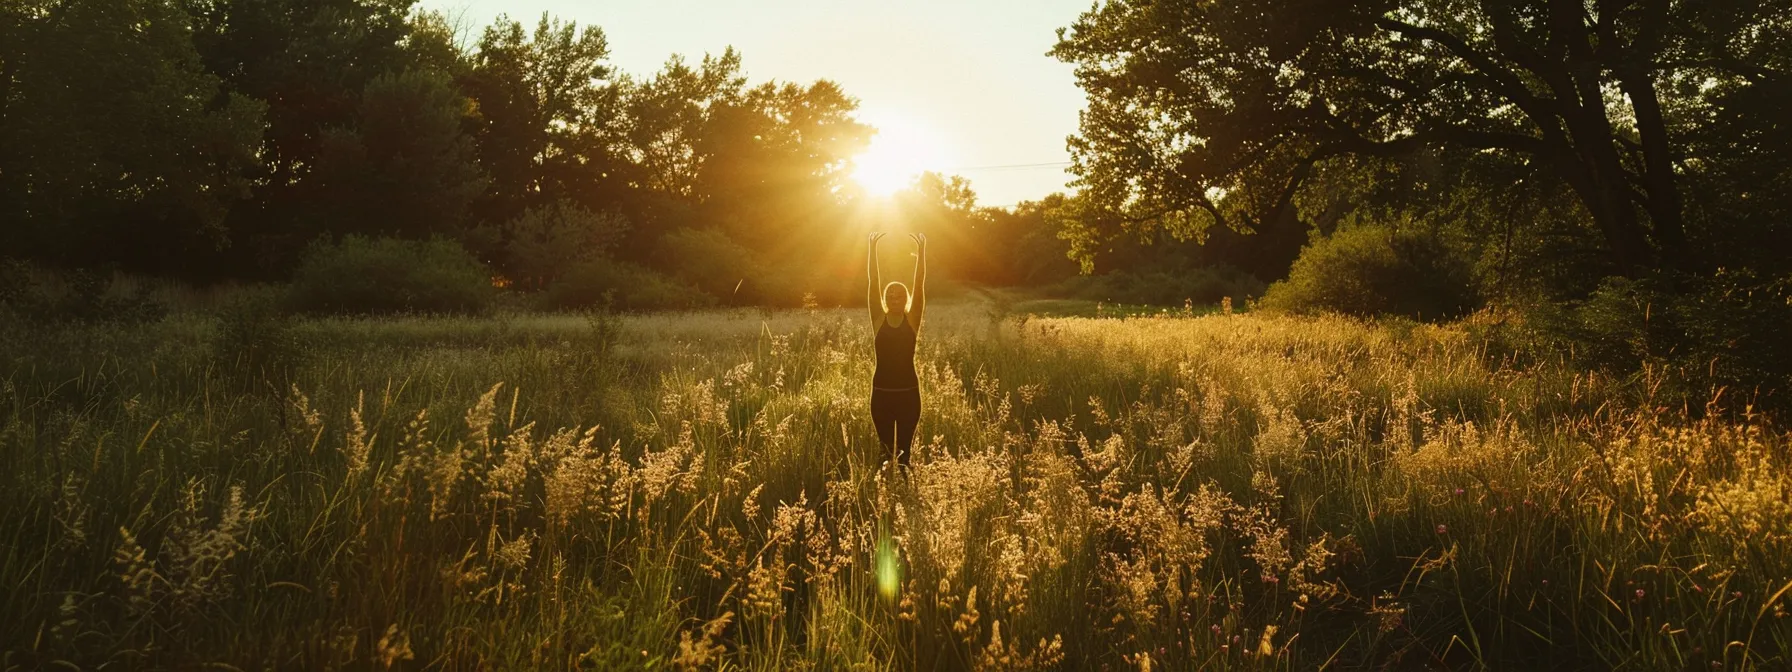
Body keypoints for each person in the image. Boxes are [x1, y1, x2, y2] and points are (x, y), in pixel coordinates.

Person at [867, 232, 926, 470]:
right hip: (881, 394)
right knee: (884, 454)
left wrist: (922, 253)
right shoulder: (878, 318)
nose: (894, 298)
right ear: (884, 299)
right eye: (890, 295)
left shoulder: (912, 319)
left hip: (909, 394)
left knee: (904, 456)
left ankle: (905, 498)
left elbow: (919, 283)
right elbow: (872, 283)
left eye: (899, 295)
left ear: (906, 299)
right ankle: (885, 500)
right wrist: (872, 250)